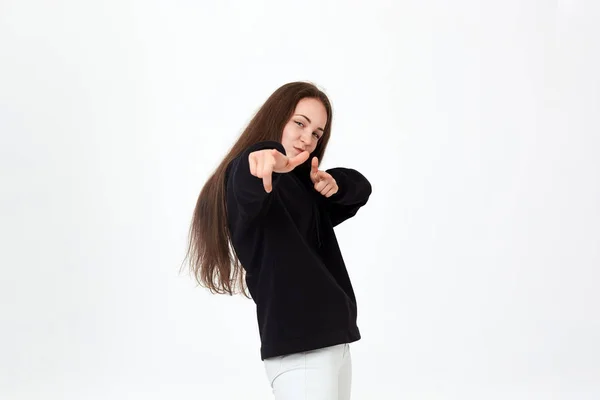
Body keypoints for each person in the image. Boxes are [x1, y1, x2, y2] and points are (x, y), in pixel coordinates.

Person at [183, 81, 372, 399]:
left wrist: (335, 183)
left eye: (317, 133)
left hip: (333, 343)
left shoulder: (300, 190)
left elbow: (361, 188)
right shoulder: (250, 176)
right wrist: (259, 161)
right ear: (277, 117)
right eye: (300, 123)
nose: (308, 138)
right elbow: (250, 175)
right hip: (303, 352)